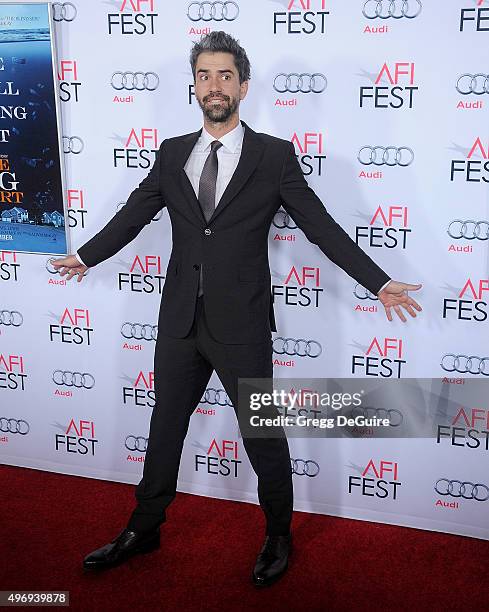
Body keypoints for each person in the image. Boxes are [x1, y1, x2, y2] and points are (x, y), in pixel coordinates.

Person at [53, 31, 422, 587]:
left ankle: (278, 534)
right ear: (194, 88)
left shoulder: (274, 157)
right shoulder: (173, 153)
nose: (214, 85)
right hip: (179, 320)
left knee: (262, 435)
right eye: (204, 76)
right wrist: (85, 255)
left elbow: (321, 228)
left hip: (242, 324)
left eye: (225, 75)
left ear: (243, 87)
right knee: (164, 431)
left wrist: (378, 282)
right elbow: (134, 214)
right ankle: (144, 528)